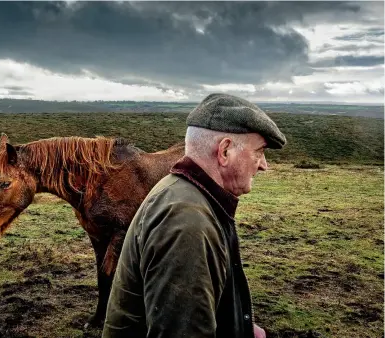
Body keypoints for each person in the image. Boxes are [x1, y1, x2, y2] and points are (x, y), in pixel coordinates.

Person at [102, 93, 286, 338]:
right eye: (259, 151)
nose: (263, 165)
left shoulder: (184, 194)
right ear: (225, 151)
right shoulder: (187, 221)